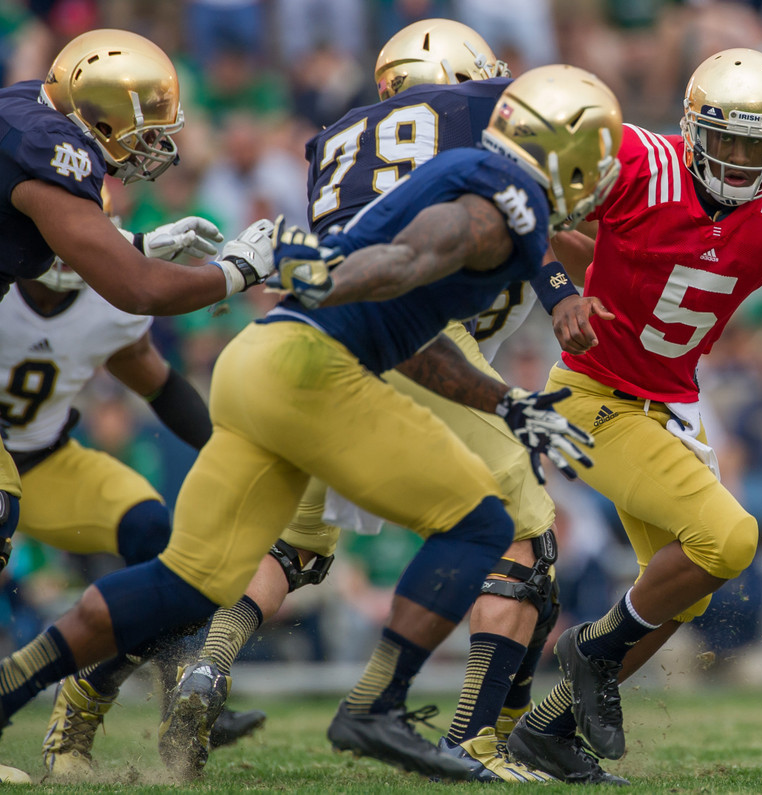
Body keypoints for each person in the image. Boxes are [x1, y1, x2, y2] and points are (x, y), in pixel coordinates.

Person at [0, 63, 622, 784]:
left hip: (258, 362)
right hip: (316, 372)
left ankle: (14, 689)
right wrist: (324, 273)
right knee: (484, 523)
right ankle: (377, 706)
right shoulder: (501, 202)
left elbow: (412, 338)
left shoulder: (472, 176)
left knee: (187, 581)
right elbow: (407, 259)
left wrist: (504, 401)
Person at [157, 20, 559, 783]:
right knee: (521, 539)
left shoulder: (337, 142)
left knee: (293, 545)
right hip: (418, 338)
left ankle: (207, 668)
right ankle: (471, 738)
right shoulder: (477, 126)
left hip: (318, 337)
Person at [502, 48, 762, 782]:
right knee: (729, 538)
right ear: (693, 129)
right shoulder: (637, 163)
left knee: (682, 588)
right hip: (593, 392)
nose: (739, 159)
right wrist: (562, 292)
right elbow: (526, 209)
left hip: (672, 401)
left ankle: (549, 730)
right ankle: (590, 650)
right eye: (726, 140)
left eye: (756, 146)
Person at [0, 27, 277, 614]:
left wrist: (140, 242)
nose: (152, 143)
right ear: (99, 117)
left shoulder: (31, 109)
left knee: (148, 529)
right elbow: (136, 288)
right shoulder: (50, 150)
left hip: (44, 453)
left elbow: (53, 244)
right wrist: (237, 272)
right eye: (144, 126)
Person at [3, 210, 265, 779]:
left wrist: (227, 454)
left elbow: (158, 382)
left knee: (156, 537)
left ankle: (173, 705)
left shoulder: (106, 304)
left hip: (47, 461)